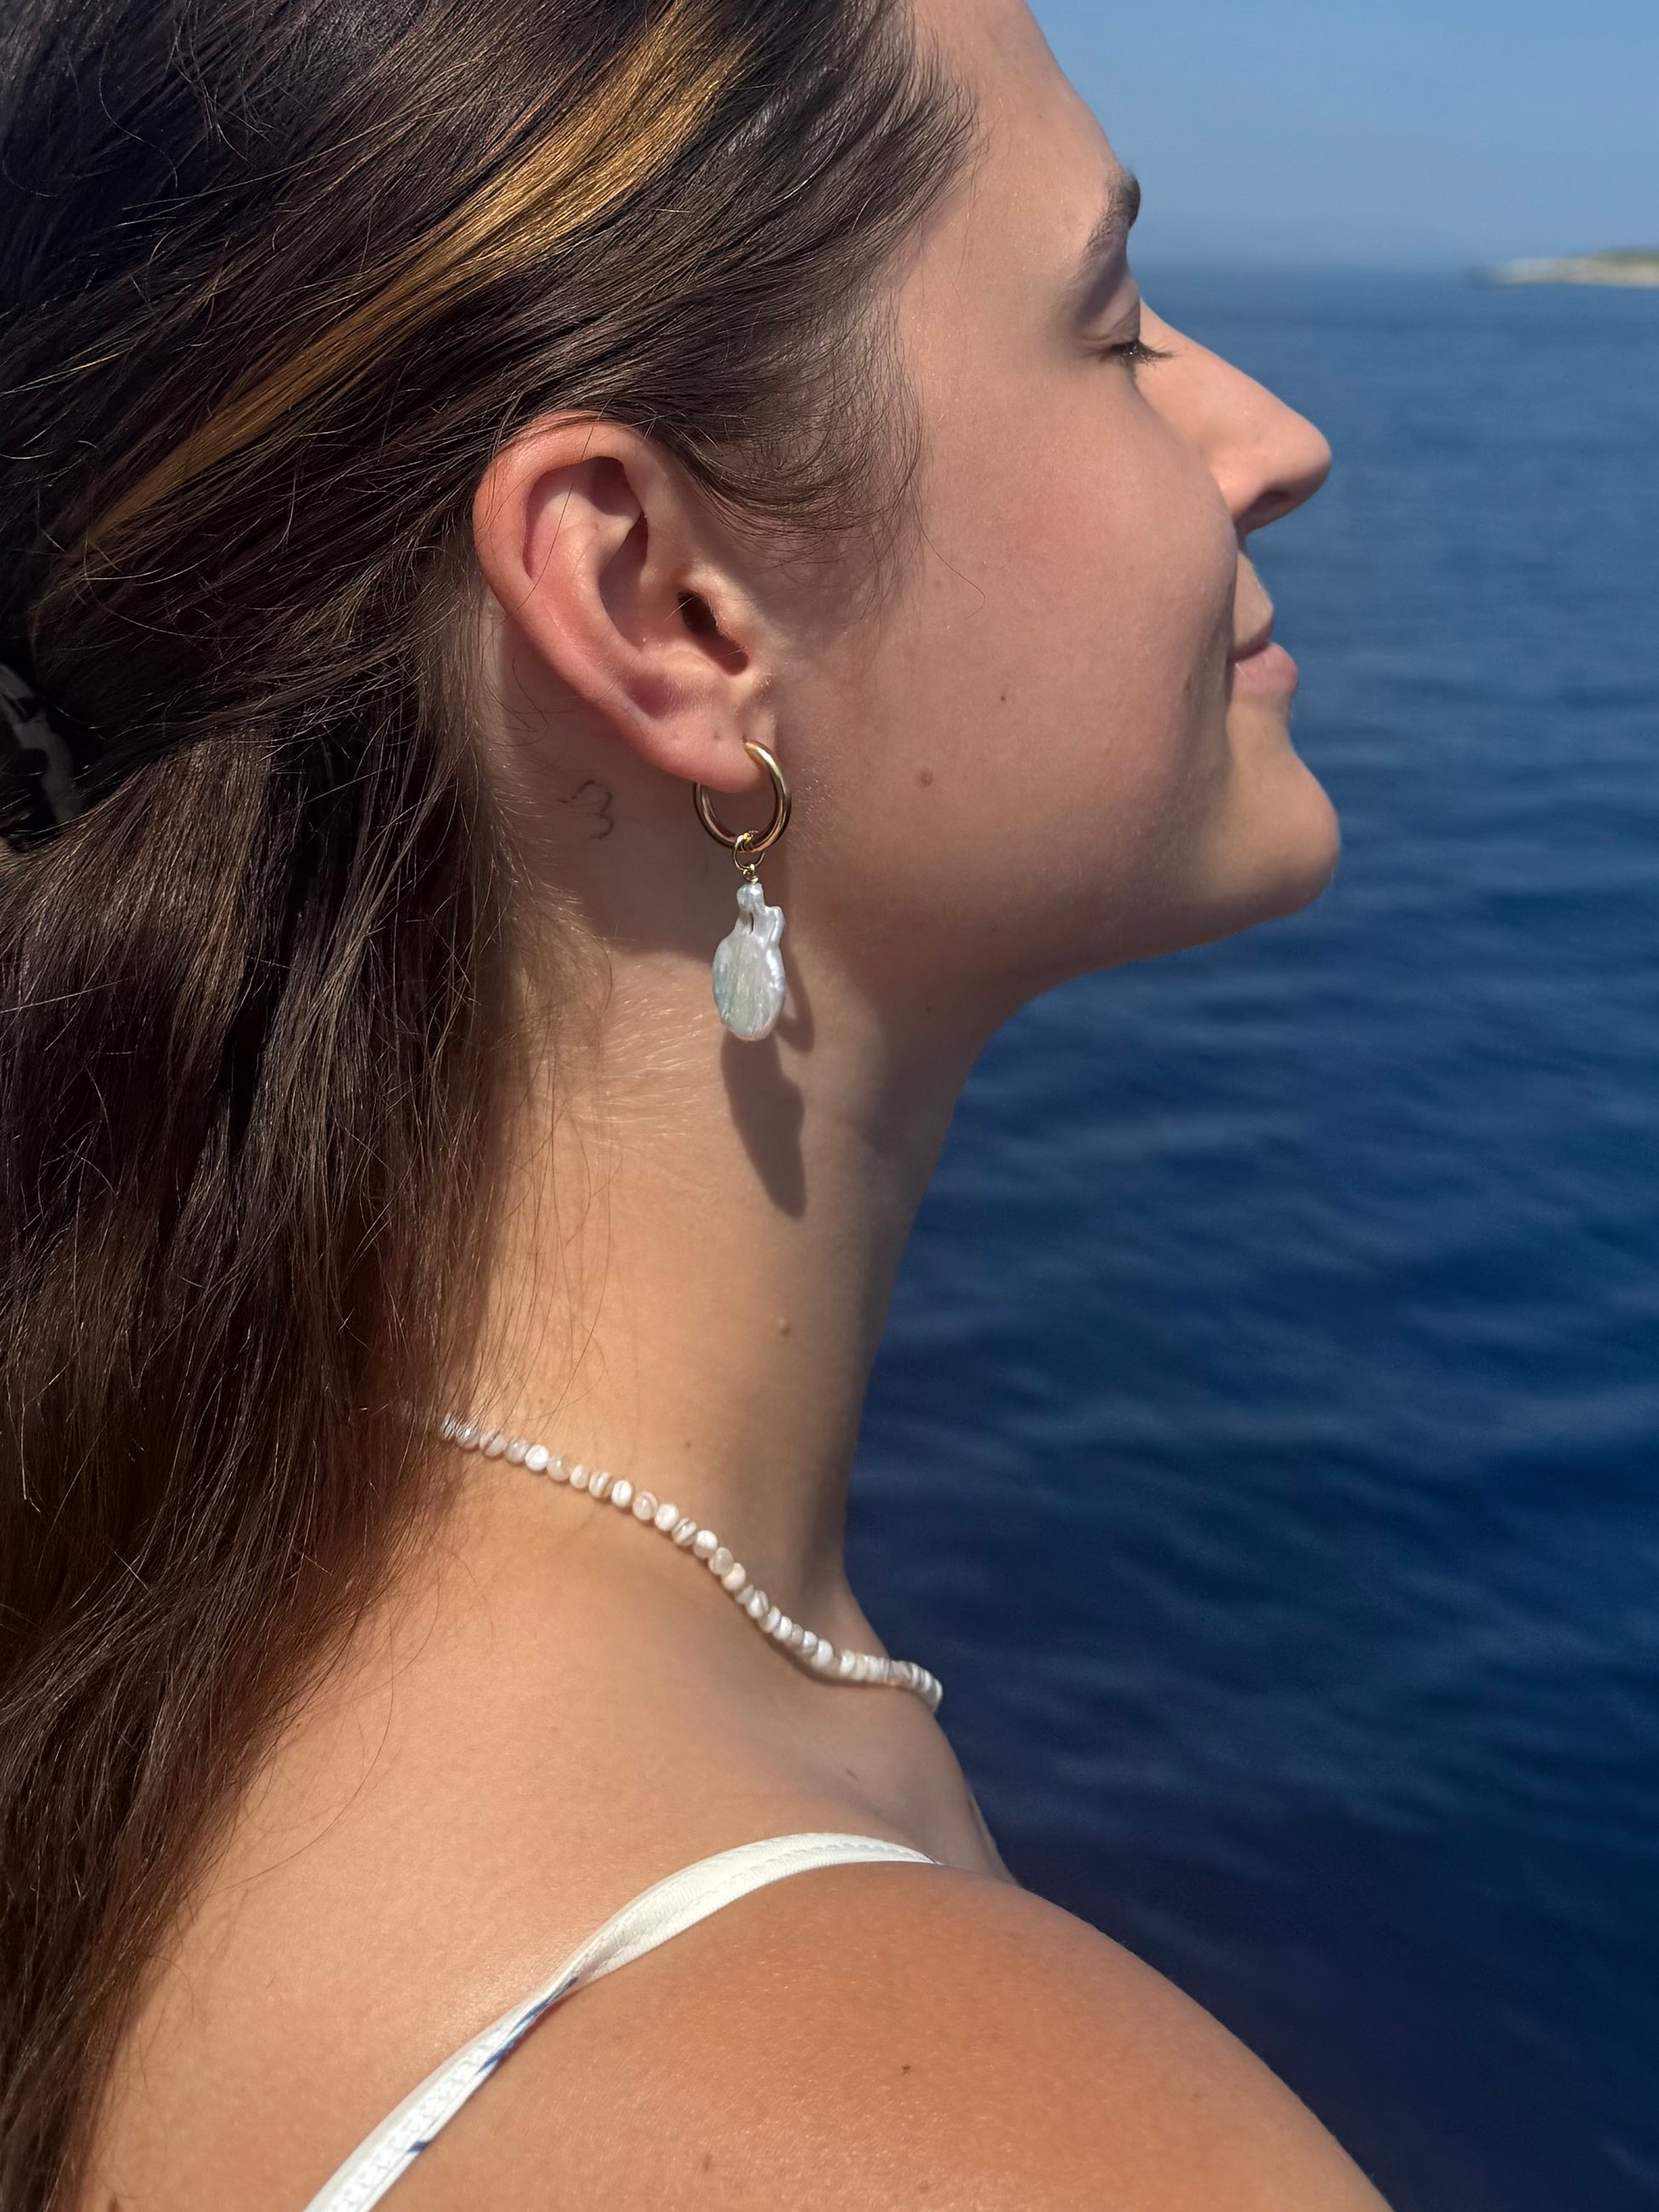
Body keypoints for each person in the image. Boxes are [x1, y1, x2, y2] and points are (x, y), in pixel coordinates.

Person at [0, 0, 1389, 2203]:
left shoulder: (169, 1591)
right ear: (667, 606)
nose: (1277, 439)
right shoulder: (1001, 2149)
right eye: (1111, 326)